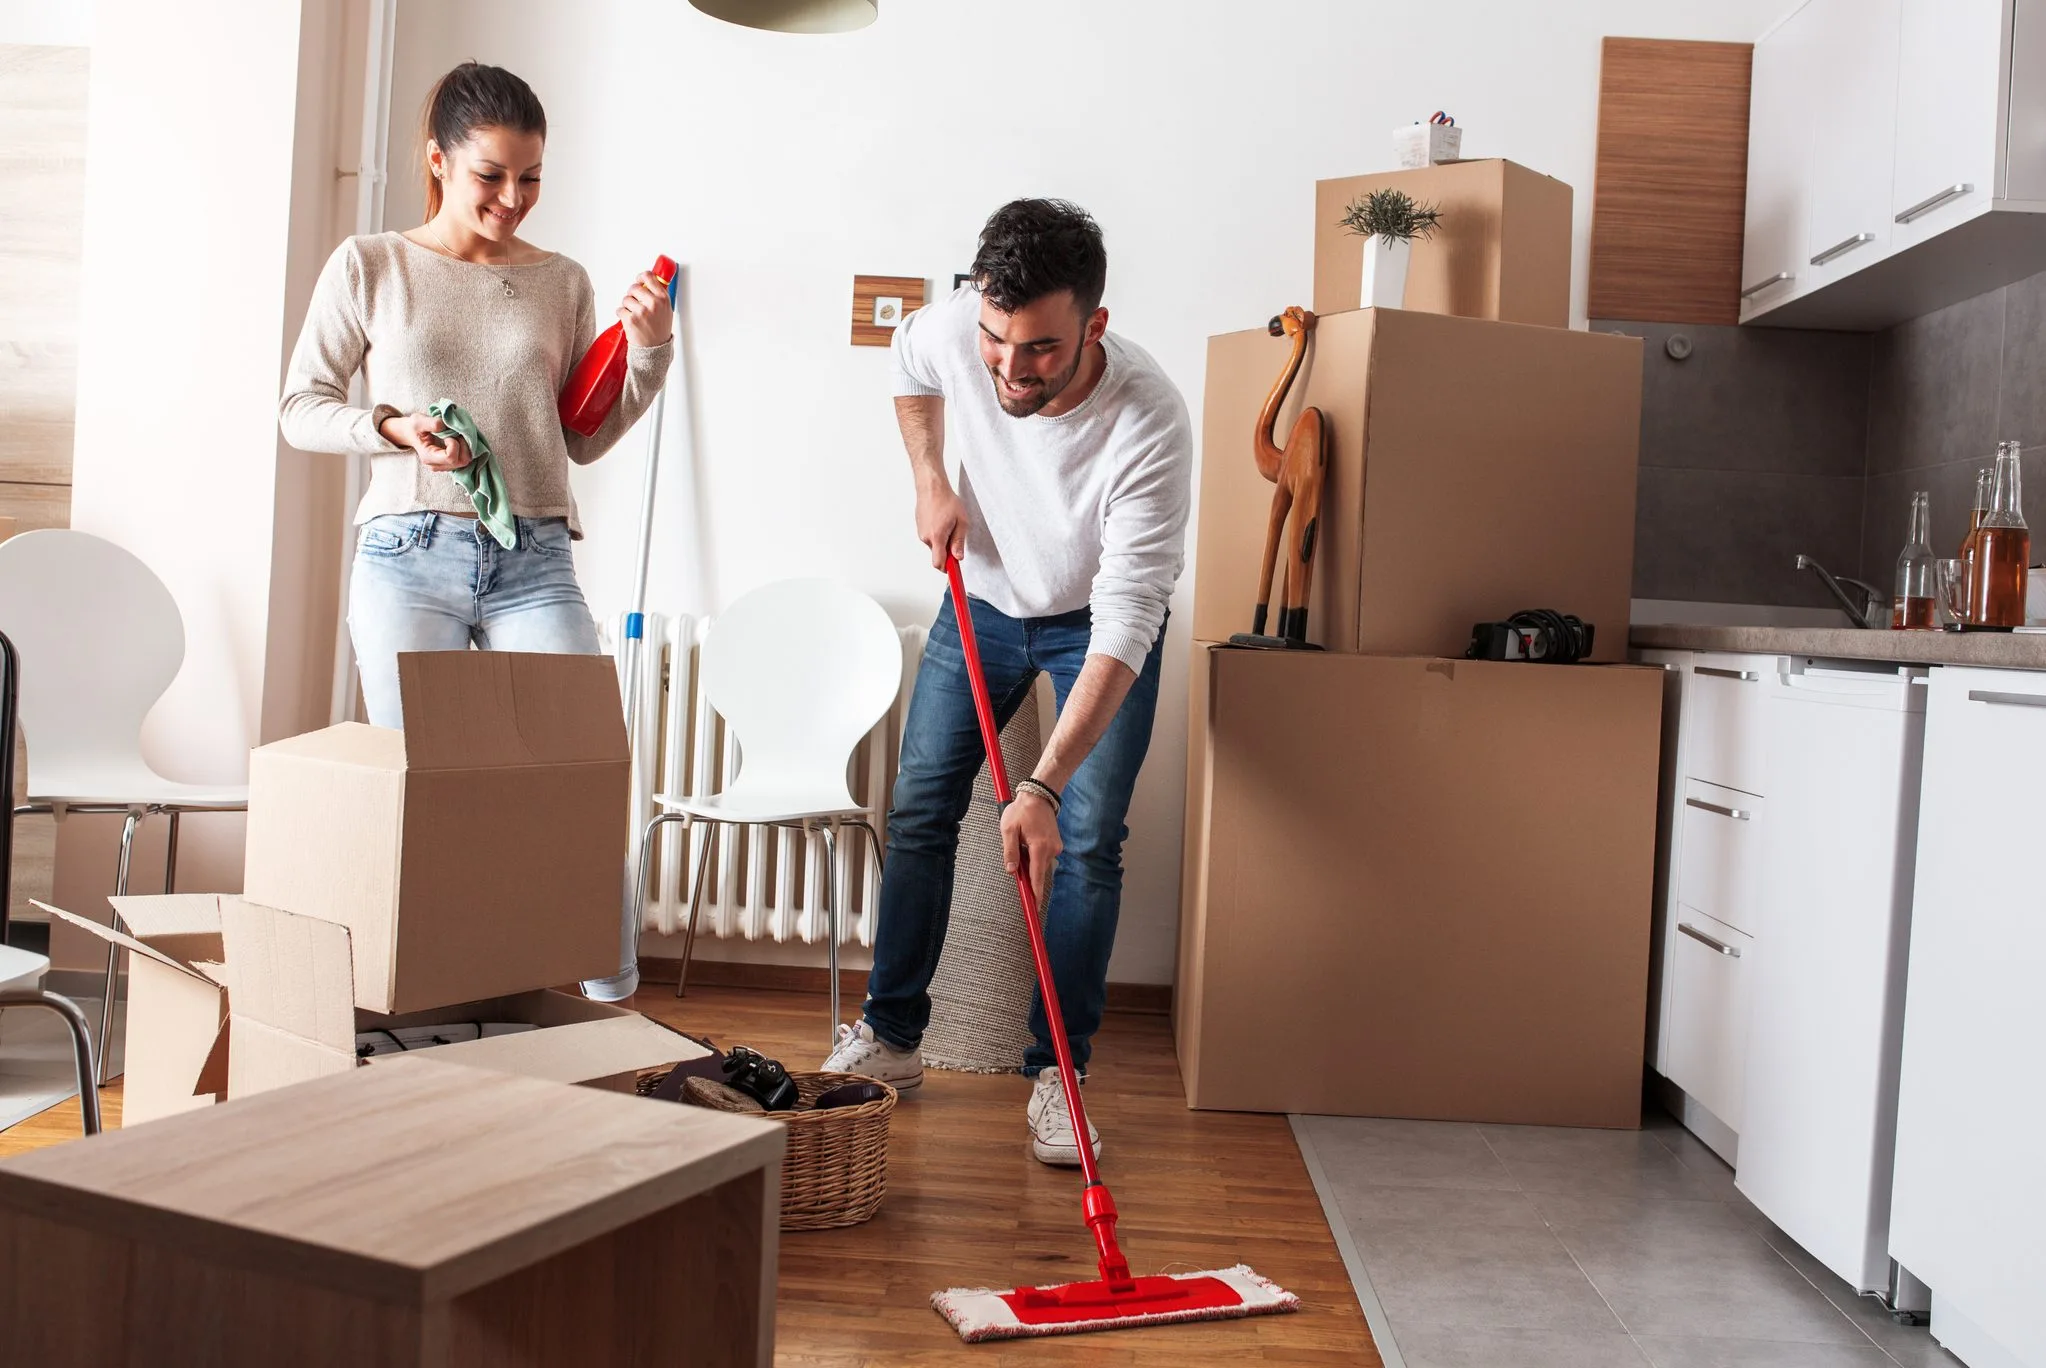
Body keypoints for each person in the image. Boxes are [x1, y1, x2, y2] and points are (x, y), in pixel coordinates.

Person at [823, 199, 1194, 1166]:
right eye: (995, 341)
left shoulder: (1148, 422)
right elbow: (910, 371)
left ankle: (1058, 1079)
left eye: (1037, 350)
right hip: (979, 598)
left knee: (1088, 843)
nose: (1009, 368)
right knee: (919, 812)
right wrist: (928, 481)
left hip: (1096, 628)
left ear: (1093, 328)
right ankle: (893, 1038)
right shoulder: (959, 327)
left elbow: (1126, 622)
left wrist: (1039, 787)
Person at [278, 61, 671, 733]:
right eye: (490, 175)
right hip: (408, 553)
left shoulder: (563, 282)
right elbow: (301, 409)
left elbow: (581, 438)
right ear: (439, 160)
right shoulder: (370, 265)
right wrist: (397, 428)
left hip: (536, 557)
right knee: (423, 783)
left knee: (572, 762)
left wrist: (649, 352)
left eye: (531, 176)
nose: (513, 197)